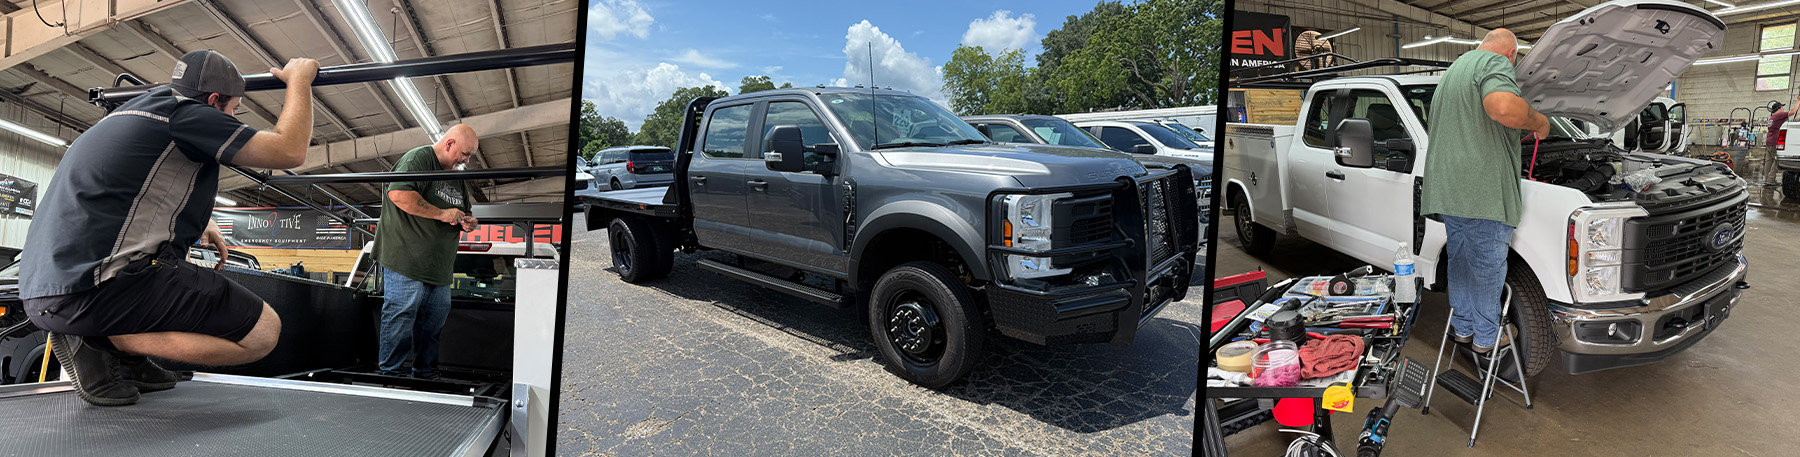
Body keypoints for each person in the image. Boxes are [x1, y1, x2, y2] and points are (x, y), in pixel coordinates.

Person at [19, 50, 319, 406]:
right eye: (235, 109)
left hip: (45, 288)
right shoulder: (188, 115)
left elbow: (121, 188)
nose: (233, 117)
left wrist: (201, 221)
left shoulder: (132, 112)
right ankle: (97, 339)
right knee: (263, 334)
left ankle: (126, 361)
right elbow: (289, 151)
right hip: (89, 292)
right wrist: (300, 80)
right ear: (213, 101)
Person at [1419, 29, 1551, 354]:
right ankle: (1488, 337)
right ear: (1511, 55)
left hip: (1450, 189)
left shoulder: (1454, 71)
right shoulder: (1495, 63)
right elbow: (1503, 107)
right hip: (1482, 191)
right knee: (1487, 267)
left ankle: (1463, 327)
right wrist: (1538, 121)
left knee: (1460, 261)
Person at [373, 124, 480, 379]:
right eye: (465, 154)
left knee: (432, 326)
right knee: (400, 316)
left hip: (439, 269)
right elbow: (398, 194)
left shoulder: (457, 179)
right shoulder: (419, 159)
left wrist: (469, 221)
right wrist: (442, 214)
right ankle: (391, 377)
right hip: (406, 260)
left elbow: (466, 212)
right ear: (450, 143)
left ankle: (426, 376)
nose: (466, 161)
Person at [1763, 98, 1796, 184]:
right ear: (1778, 108)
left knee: (1768, 161)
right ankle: (1771, 180)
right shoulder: (1779, 115)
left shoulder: (1772, 118)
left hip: (1769, 141)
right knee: (1777, 160)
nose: (1783, 109)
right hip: (1775, 141)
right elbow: (1792, 112)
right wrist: (1798, 101)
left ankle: (1766, 179)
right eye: (1782, 107)